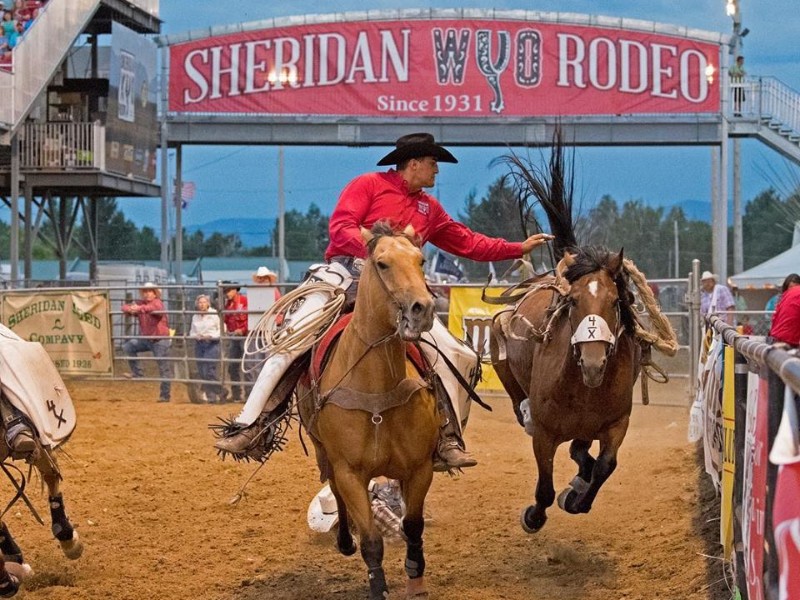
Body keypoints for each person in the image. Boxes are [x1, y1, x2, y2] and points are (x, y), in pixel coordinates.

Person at [215, 132, 554, 470]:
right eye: (433, 163)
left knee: (459, 355)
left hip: (400, 291)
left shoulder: (429, 208)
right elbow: (341, 227)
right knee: (295, 337)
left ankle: (447, 437)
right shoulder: (368, 185)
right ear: (414, 163)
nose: (437, 171)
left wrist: (516, 248)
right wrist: (377, 249)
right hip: (347, 275)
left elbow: (465, 241)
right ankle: (253, 423)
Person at [121, 282, 172, 403]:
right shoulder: (141, 303)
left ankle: (165, 395)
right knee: (128, 346)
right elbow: (124, 307)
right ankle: (137, 372)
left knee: (163, 368)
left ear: (155, 293)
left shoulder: (157, 303)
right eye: (145, 291)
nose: (147, 294)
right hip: (148, 338)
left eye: (149, 291)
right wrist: (132, 309)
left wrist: (138, 309)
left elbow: (155, 308)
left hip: (160, 339)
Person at [189, 294, 222, 403]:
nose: (202, 304)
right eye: (200, 302)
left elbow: (221, 330)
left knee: (209, 371)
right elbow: (192, 332)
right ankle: (216, 394)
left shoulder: (214, 315)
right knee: (202, 371)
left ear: (208, 303)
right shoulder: (195, 316)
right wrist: (196, 336)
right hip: (199, 343)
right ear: (197, 304)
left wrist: (211, 336)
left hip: (212, 343)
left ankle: (216, 394)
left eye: (204, 302)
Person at [221, 282, 249, 402]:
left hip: (245, 336)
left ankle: (248, 394)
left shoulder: (244, 300)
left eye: (228, 291)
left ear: (234, 290)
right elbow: (226, 320)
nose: (227, 294)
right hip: (234, 337)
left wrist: (242, 330)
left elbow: (251, 318)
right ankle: (237, 394)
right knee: (233, 366)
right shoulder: (228, 305)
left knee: (247, 366)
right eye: (225, 292)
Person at [768, 273, 800, 346]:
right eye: (791, 287)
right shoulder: (783, 298)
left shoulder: (784, 297)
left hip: (777, 336)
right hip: (789, 339)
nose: (793, 289)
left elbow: (775, 317)